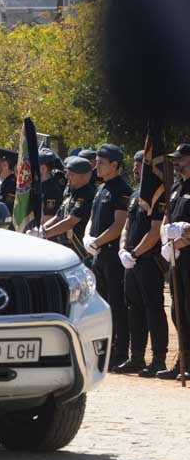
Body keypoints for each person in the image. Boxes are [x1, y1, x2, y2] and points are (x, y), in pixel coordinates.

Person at [115, 150, 169, 376]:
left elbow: (156, 231)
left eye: (141, 165)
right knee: (133, 309)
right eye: (136, 165)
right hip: (132, 260)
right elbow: (127, 225)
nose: (136, 169)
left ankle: (158, 358)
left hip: (148, 260)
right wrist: (122, 250)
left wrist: (135, 254)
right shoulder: (137, 194)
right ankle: (136, 356)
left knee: (153, 309)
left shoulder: (159, 193)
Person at [85, 144, 132, 368]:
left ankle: (120, 352)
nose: (97, 166)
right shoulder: (101, 188)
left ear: (114, 165)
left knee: (116, 305)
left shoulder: (121, 189)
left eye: (101, 162)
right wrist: (87, 237)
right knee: (100, 305)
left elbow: (119, 223)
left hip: (112, 255)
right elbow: (92, 219)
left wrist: (97, 241)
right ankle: (103, 351)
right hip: (98, 255)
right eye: (97, 161)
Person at [159, 143, 190, 380]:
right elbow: (167, 219)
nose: (176, 163)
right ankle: (184, 359)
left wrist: (181, 239)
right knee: (177, 311)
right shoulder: (177, 186)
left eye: (180, 159)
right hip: (176, 257)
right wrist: (166, 243)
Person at [34, 156, 96, 260]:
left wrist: (44, 234)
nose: (67, 176)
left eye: (71, 174)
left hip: (80, 250)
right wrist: (41, 229)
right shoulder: (72, 193)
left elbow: (70, 221)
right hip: (67, 247)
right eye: (67, 173)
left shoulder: (87, 194)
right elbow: (58, 217)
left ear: (84, 176)